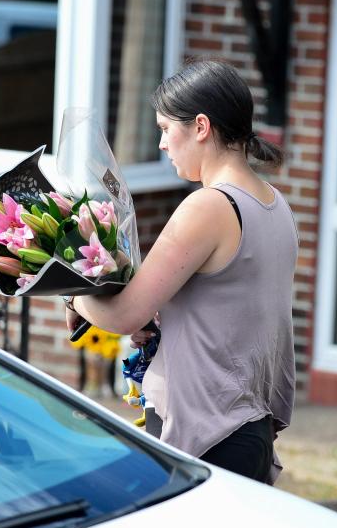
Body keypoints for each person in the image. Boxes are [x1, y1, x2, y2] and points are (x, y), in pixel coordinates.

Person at [65, 60, 298, 483]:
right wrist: (166, 320)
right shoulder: (274, 203)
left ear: (201, 127)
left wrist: (71, 291)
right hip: (248, 427)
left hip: (208, 431)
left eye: (166, 129)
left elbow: (122, 316)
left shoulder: (208, 206)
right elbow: (236, 315)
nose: (161, 144)